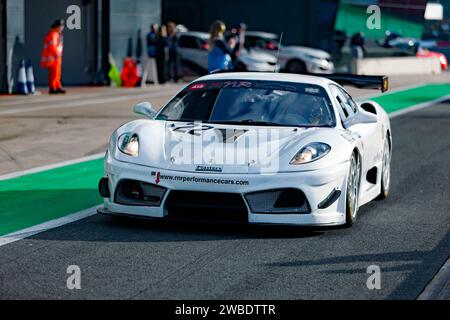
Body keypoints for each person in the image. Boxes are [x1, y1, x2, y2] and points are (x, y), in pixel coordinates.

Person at [40, 19, 66, 94]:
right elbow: (53, 46)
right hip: (54, 57)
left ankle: (57, 86)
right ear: (58, 27)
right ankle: (53, 87)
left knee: (57, 73)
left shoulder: (56, 34)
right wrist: (56, 54)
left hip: (56, 57)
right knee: (54, 73)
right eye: (61, 26)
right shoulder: (53, 34)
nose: (62, 28)